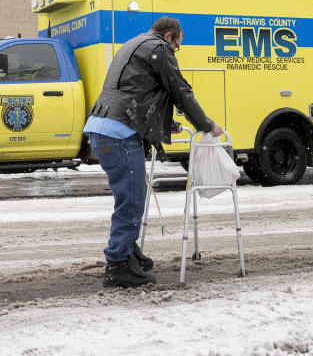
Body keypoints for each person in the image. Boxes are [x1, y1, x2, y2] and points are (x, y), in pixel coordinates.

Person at [84, 16, 224, 288]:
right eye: (177, 45)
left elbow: (140, 91)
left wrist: (168, 124)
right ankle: (118, 265)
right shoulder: (159, 48)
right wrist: (206, 125)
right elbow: (180, 91)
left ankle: (126, 250)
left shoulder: (134, 44)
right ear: (170, 36)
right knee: (132, 199)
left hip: (103, 128)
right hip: (119, 133)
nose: (175, 51)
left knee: (131, 197)